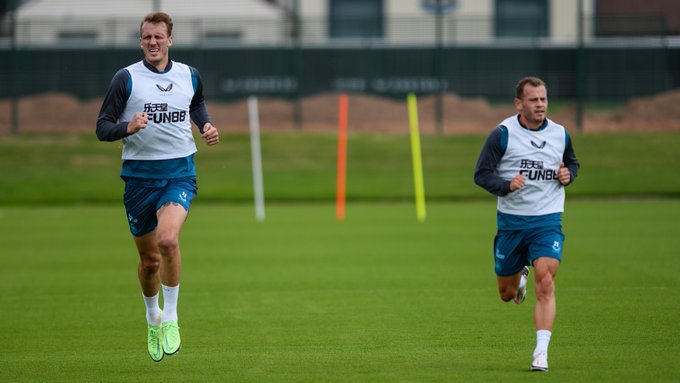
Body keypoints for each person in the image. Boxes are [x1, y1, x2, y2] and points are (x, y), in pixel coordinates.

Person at [96, 12, 219, 362]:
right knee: (149, 261)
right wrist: (127, 127)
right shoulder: (126, 79)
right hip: (138, 179)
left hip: (180, 172)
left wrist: (206, 125)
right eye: (146, 37)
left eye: (158, 37)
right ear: (140, 41)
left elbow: (196, 104)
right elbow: (102, 127)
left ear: (170, 40)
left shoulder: (189, 75)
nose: (153, 42)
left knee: (168, 240)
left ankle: (172, 317)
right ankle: (153, 318)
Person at [473, 76, 579, 372]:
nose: (540, 104)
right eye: (533, 100)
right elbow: (481, 175)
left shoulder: (560, 133)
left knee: (546, 281)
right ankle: (518, 274)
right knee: (506, 295)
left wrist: (568, 174)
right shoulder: (503, 134)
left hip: (547, 220)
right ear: (519, 103)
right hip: (512, 224)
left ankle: (541, 352)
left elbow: (572, 163)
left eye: (543, 99)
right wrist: (507, 184)